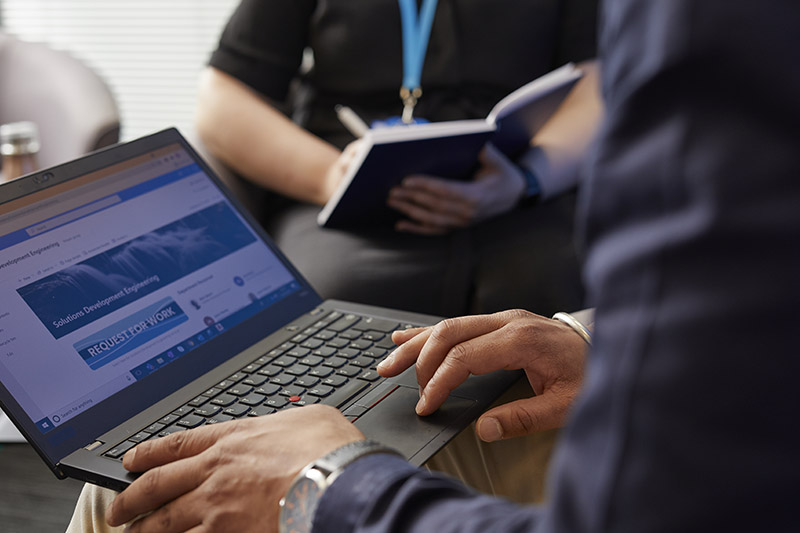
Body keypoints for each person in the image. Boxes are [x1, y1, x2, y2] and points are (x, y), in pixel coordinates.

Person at [82, 0, 800, 531]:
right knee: (336, 310)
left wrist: (327, 488)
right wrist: (592, 338)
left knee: (123, 488)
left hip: (508, 193)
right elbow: (225, 95)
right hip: (350, 198)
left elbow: (595, 82)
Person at [194, 0, 602, 319]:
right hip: (343, 186)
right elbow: (224, 95)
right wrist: (331, 178)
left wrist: (527, 180)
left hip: (517, 180)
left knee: (552, 291)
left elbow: (598, 84)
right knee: (331, 297)